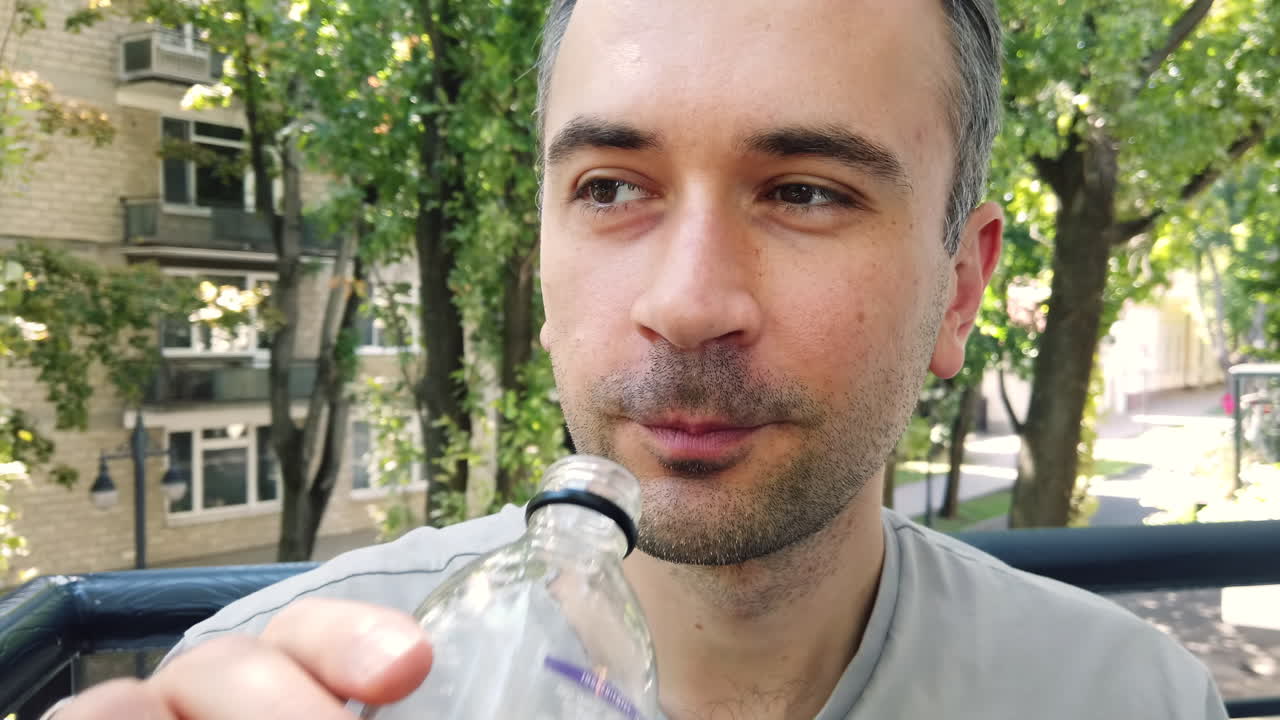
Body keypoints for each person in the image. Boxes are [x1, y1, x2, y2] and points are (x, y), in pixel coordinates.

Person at [55, 0, 1228, 718]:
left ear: (958, 286)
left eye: (805, 192)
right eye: (611, 189)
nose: (685, 303)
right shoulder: (284, 687)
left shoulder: (1130, 698)